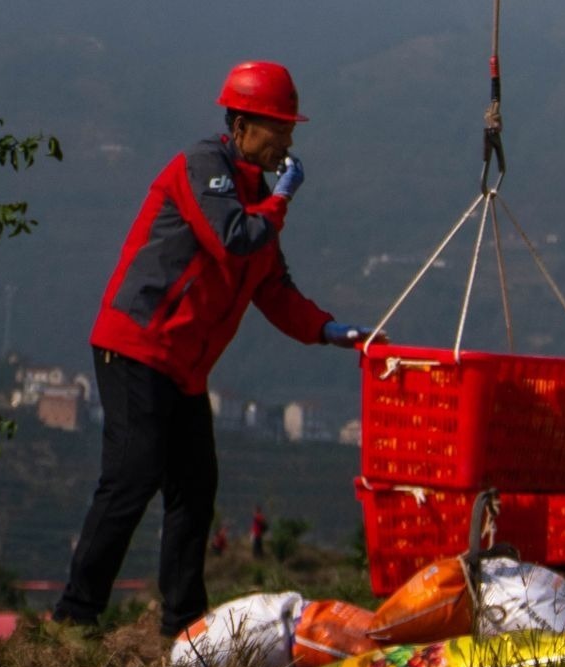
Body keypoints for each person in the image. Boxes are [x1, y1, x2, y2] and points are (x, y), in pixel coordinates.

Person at [52, 59, 368, 636]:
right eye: (280, 127)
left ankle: (184, 627)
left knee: (195, 491)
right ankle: (75, 615)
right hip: (138, 347)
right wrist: (281, 202)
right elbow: (234, 241)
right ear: (242, 124)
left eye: (292, 129)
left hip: (184, 369)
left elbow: (272, 287)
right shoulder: (204, 169)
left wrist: (328, 329)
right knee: (132, 476)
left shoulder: (254, 193)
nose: (288, 141)